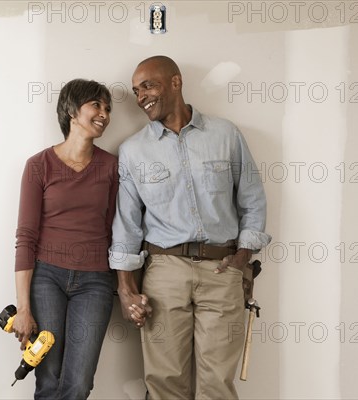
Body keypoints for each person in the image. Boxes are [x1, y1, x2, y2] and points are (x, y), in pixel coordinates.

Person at [110, 56, 271, 399]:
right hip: (163, 273)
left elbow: (253, 198)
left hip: (223, 270)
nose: (141, 98)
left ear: (176, 82)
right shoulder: (133, 151)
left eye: (148, 86)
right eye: (137, 91)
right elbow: (126, 224)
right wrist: (126, 289)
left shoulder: (225, 134)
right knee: (166, 382)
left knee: (217, 384)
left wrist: (242, 258)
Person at [12, 79, 118, 400]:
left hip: (96, 282)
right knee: (48, 378)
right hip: (47, 279)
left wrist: (128, 285)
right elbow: (25, 238)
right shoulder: (38, 166)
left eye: (108, 108)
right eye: (96, 105)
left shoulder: (111, 166)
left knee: (79, 383)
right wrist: (23, 308)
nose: (104, 114)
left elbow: (117, 231)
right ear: (72, 111)